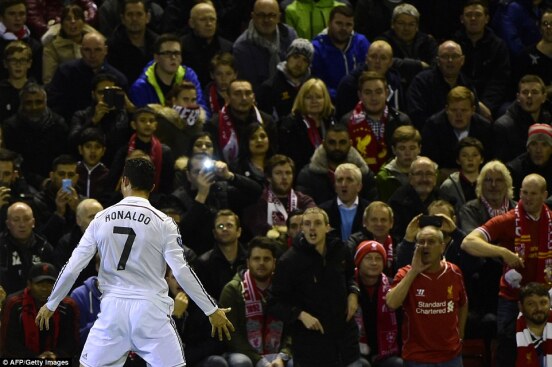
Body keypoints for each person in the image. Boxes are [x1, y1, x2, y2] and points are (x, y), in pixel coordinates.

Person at [35, 157, 235, 366]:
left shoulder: (101, 218)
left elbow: (74, 266)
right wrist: (211, 309)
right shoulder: (163, 222)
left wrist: (52, 302)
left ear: (124, 182)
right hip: (150, 311)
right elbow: (182, 271)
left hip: (113, 310)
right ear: (152, 187)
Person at [461, 173, 551, 367]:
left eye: (533, 193)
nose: (527, 198)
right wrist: (502, 252)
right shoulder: (508, 220)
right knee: (507, 351)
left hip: (546, 296)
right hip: (512, 298)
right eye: (524, 193)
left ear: (544, 195)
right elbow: (468, 242)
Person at [269, 207, 362, 367]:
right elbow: (273, 303)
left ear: (327, 227)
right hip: (310, 346)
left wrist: (353, 292)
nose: (312, 228)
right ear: (302, 228)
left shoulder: (341, 250)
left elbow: (350, 277)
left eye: (318, 223)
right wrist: (300, 314)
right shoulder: (289, 261)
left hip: (345, 342)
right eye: (307, 224)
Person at [386, 225, 468, 366]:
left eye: (431, 242)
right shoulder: (405, 273)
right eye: (421, 242)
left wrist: (460, 336)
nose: (425, 246)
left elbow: (463, 303)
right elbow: (391, 303)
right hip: (418, 357)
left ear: (442, 247)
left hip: (451, 355)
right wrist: (414, 272)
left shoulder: (454, 271)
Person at [219, 236, 292, 367]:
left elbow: (292, 328)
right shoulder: (233, 290)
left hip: (277, 355)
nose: (261, 263)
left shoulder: (283, 289)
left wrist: (283, 356)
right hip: (242, 353)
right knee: (241, 362)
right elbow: (232, 335)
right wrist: (259, 360)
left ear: (274, 262)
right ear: (248, 262)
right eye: (256, 259)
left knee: (295, 361)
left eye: (267, 259)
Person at [0, 262, 79, 358]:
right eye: (39, 284)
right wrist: (35, 359)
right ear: (29, 284)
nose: (44, 289)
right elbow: (8, 343)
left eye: (50, 284)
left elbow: (72, 341)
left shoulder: (68, 305)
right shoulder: (14, 304)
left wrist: (56, 356)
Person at [46, 31, 128, 122]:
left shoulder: (118, 79)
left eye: (97, 50)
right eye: (87, 50)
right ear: (81, 51)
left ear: (106, 51)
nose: (92, 55)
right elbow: (54, 106)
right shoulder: (65, 73)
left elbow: (122, 115)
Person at [340, 70, 411, 173]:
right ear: (360, 95)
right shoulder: (347, 122)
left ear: (386, 93)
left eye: (378, 92)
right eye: (368, 93)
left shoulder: (401, 121)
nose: (374, 98)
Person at [3, 82, 68, 190]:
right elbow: (13, 162)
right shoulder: (10, 127)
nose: (34, 107)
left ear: (46, 102)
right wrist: (39, 181)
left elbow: (63, 157)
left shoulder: (59, 124)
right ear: (21, 104)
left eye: (39, 102)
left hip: (54, 180)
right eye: (28, 103)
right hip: (21, 180)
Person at [452, 0, 511, 118]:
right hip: (459, 98)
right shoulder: (453, 45)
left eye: (478, 15)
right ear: (462, 19)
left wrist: (487, 105)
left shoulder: (498, 46)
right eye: (468, 15)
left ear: (487, 19)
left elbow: (500, 80)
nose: (473, 18)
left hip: (492, 102)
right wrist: (474, 103)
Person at [406, 40, 481, 130]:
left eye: (454, 56)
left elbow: (475, 115)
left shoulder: (467, 83)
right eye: (445, 56)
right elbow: (416, 116)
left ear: (462, 60)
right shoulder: (421, 82)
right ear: (438, 60)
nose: (450, 60)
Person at [296, 123, 378, 205]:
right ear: (324, 144)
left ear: (350, 144)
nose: (337, 147)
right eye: (332, 143)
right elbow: (304, 208)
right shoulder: (307, 175)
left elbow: (372, 208)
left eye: (342, 142)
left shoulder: (364, 175)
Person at [421, 86, 492, 179]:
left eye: (464, 110)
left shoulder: (484, 128)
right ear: (446, 109)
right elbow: (429, 162)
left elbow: (489, 161)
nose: (459, 115)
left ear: (473, 110)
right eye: (454, 110)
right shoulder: (433, 127)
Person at [129, 33, 207, 113]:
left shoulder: (189, 76)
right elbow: (145, 119)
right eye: (167, 53)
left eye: (176, 53)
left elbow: (202, 108)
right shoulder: (141, 87)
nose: (173, 58)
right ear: (156, 57)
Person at [206, 79, 277, 165]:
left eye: (248, 93)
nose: (244, 98)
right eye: (237, 94)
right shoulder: (214, 124)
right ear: (227, 98)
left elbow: (273, 156)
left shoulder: (267, 121)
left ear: (253, 97)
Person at [68, 72, 132, 168]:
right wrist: (93, 120)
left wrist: (130, 106)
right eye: (101, 92)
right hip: (86, 169)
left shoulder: (124, 115)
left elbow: (144, 128)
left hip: (118, 168)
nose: (105, 96)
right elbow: (72, 143)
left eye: (110, 92)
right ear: (93, 94)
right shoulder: (81, 115)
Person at [353, 241, 402, 367]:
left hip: (385, 352)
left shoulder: (392, 287)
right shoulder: (348, 288)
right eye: (368, 258)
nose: (374, 263)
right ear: (359, 261)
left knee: (398, 364)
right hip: (354, 353)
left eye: (378, 258)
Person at [232, 0, 297, 94]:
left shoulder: (290, 36)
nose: (267, 20)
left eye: (272, 15)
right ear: (253, 17)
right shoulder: (241, 47)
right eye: (261, 15)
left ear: (279, 17)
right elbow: (249, 87)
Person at [243, 154, 315, 238]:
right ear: (269, 177)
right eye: (278, 173)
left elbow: (313, 221)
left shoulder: (304, 200)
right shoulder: (259, 202)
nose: (284, 177)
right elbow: (261, 230)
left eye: (288, 173)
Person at [311, 5, 369, 100]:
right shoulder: (316, 47)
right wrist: (340, 97)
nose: (344, 28)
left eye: (348, 25)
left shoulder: (361, 42)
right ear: (329, 23)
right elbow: (316, 82)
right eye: (339, 23)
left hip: (361, 101)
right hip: (329, 103)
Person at [278, 78, 336, 172]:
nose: (314, 101)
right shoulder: (290, 125)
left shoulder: (331, 121)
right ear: (301, 100)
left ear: (325, 99)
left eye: (318, 97)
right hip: (302, 175)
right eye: (309, 97)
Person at [493, 74, 552, 164]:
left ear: (544, 97)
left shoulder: (549, 121)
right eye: (525, 92)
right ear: (518, 97)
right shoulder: (503, 127)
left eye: (534, 92)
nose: (529, 96)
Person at [0, 202, 54, 295]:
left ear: (33, 223)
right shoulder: (1, 246)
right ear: (8, 224)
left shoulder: (44, 247)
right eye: (16, 220)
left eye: (26, 219)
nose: (22, 224)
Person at [257, 38, 314, 122]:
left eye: (305, 60)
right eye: (296, 57)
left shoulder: (313, 87)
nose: (299, 64)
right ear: (287, 57)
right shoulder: (269, 88)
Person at [181, 2, 233, 88]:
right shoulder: (181, 47)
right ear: (191, 23)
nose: (209, 24)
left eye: (212, 19)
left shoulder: (227, 47)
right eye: (203, 20)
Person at [106, 0, 159, 85]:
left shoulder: (158, 44)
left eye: (139, 14)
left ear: (147, 17)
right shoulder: (112, 46)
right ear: (122, 18)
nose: (134, 19)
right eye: (130, 14)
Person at [41, 4, 96, 85]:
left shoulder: (94, 43)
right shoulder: (52, 47)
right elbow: (48, 80)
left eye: (77, 18)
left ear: (84, 23)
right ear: (62, 24)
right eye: (68, 19)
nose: (73, 22)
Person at [388, 156, 440, 239]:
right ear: (410, 178)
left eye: (429, 174)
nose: (424, 179)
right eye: (419, 174)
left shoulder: (445, 200)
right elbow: (395, 236)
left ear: (435, 177)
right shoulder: (397, 202)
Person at [320, 163, 371, 242]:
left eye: (349, 180)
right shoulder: (323, 211)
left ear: (359, 186)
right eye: (340, 180)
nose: (343, 184)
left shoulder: (369, 210)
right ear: (335, 187)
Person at [346, 201, 395, 273]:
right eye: (374, 220)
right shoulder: (354, 242)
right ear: (365, 222)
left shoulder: (397, 243)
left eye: (383, 220)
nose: (379, 224)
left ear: (391, 223)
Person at [376, 125, 421, 202]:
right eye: (402, 148)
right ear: (394, 150)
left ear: (419, 149)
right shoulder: (384, 177)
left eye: (412, 148)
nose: (407, 153)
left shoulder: (432, 172)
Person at [439, 137, 484, 213]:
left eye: (475, 155)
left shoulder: (489, 183)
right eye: (465, 155)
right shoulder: (448, 186)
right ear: (458, 160)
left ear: (482, 159)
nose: (470, 159)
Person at [507, 124, 552, 199]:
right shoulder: (514, 170)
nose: (538, 150)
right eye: (534, 144)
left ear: (551, 149)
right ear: (528, 148)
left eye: (544, 145)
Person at [515, 282, 552, 367]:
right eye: (531, 304)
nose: (538, 308)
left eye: (543, 302)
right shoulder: (510, 336)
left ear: (550, 303)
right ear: (521, 306)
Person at [0, 41, 33, 122]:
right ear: (5, 63)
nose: (18, 65)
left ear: (29, 63)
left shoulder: (37, 91)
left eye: (22, 60)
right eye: (13, 60)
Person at [76, 127, 110, 200]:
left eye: (97, 147)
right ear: (80, 149)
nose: (93, 151)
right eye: (88, 146)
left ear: (103, 151)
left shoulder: (108, 175)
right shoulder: (73, 172)